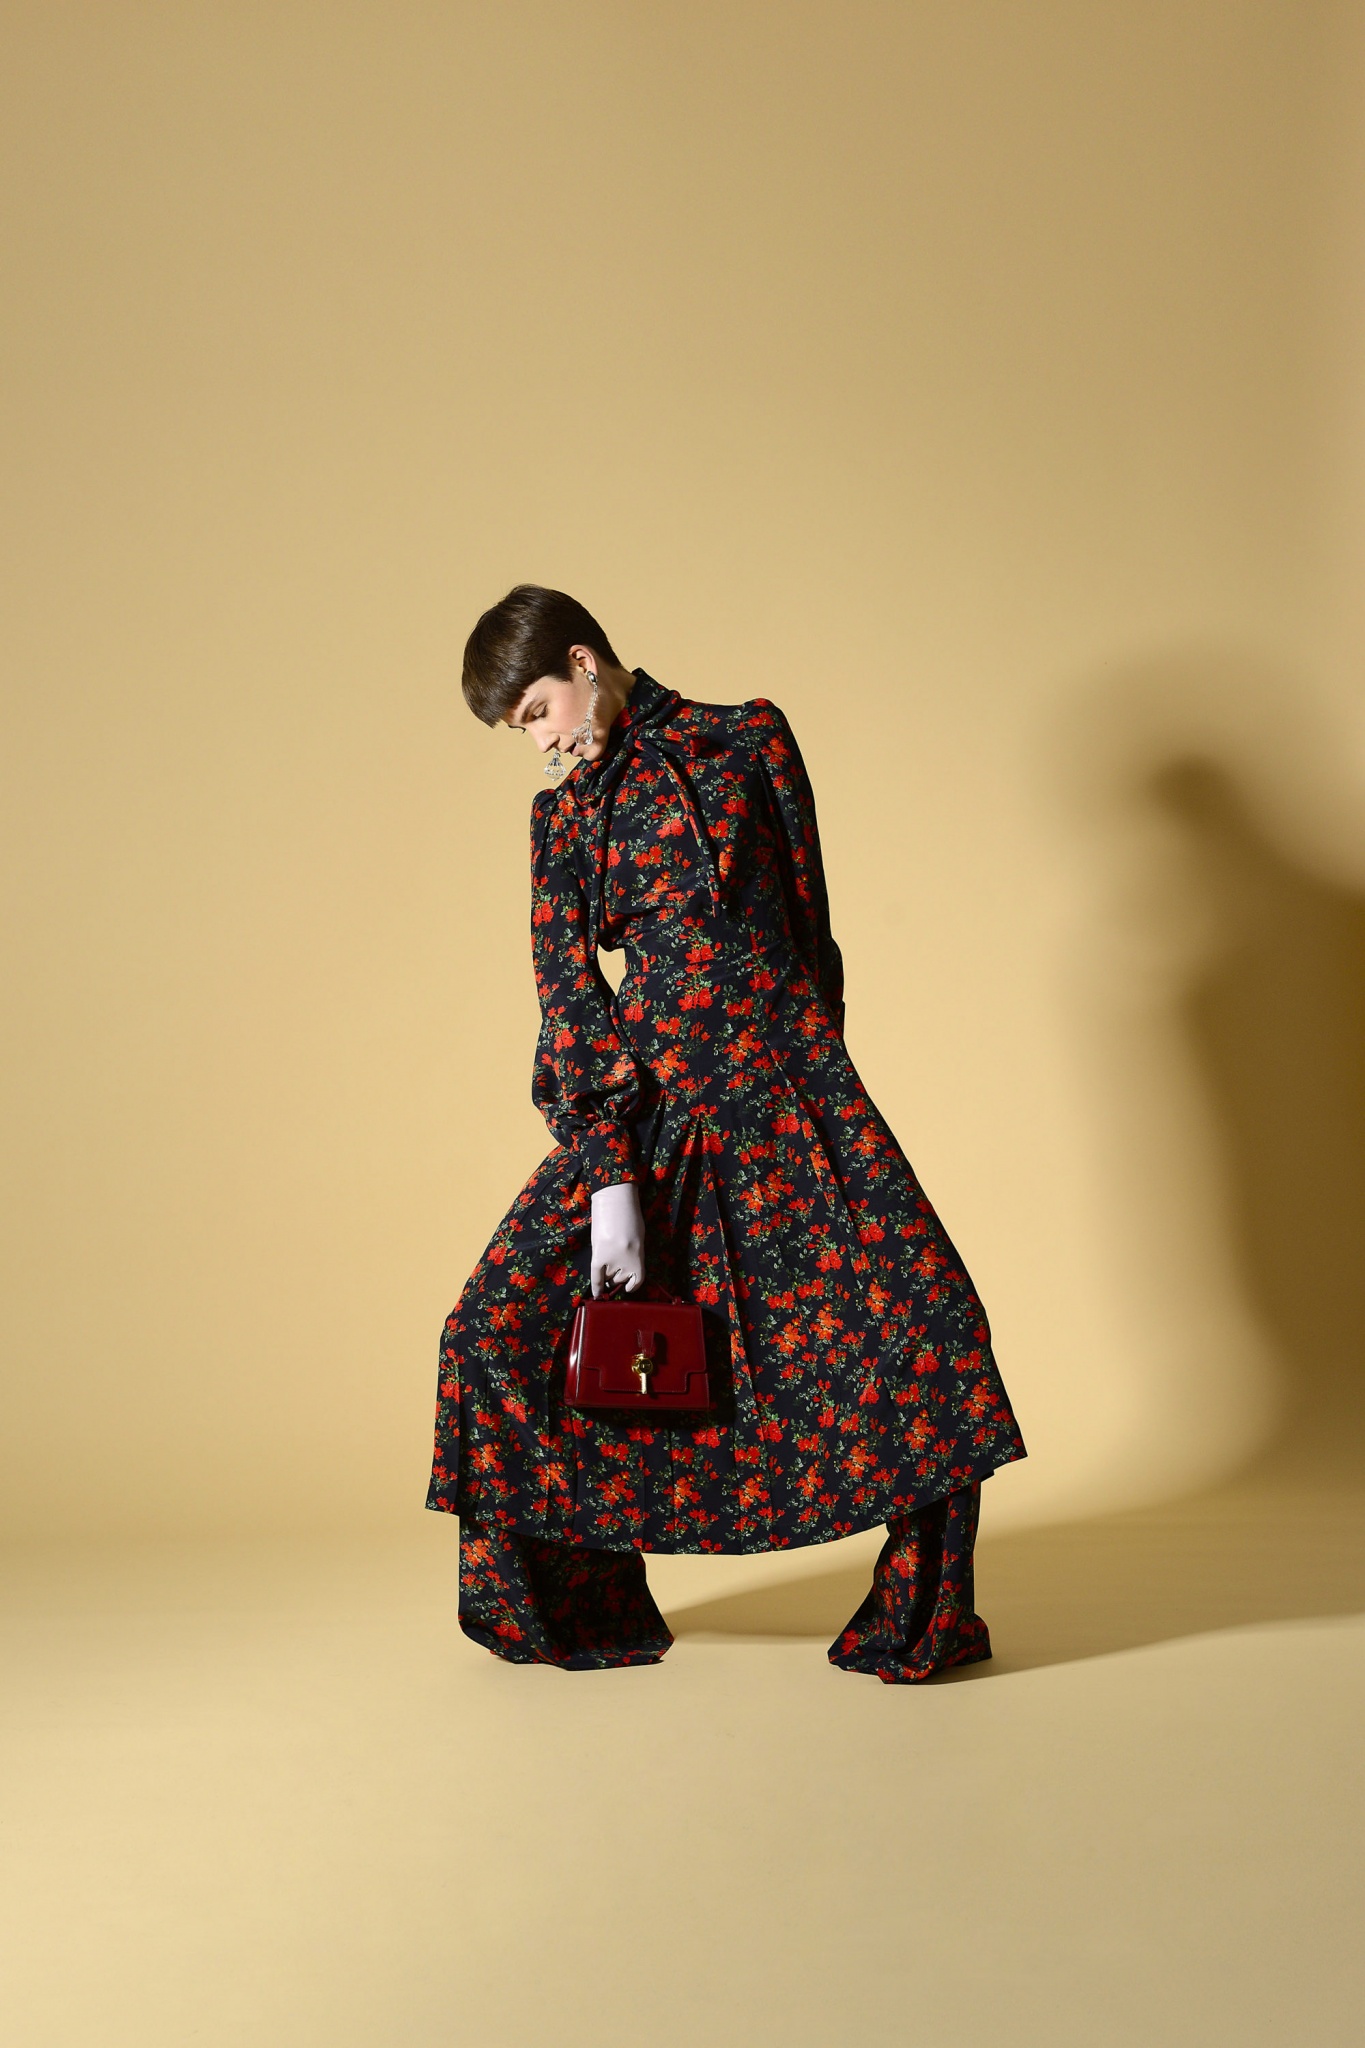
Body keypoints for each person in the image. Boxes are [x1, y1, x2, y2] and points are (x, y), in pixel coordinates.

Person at [427, 585, 1026, 1681]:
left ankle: (920, 1612)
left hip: (788, 1082)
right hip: (650, 1101)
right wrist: (609, 1171)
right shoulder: (563, 819)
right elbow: (568, 994)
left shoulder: (749, 737)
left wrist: (813, 1081)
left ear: (583, 660)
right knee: (489, 1330)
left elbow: (810, 921)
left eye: (537, 710)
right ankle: (578, 1606)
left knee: (931, 1327)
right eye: (520, 729)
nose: (542, 741)